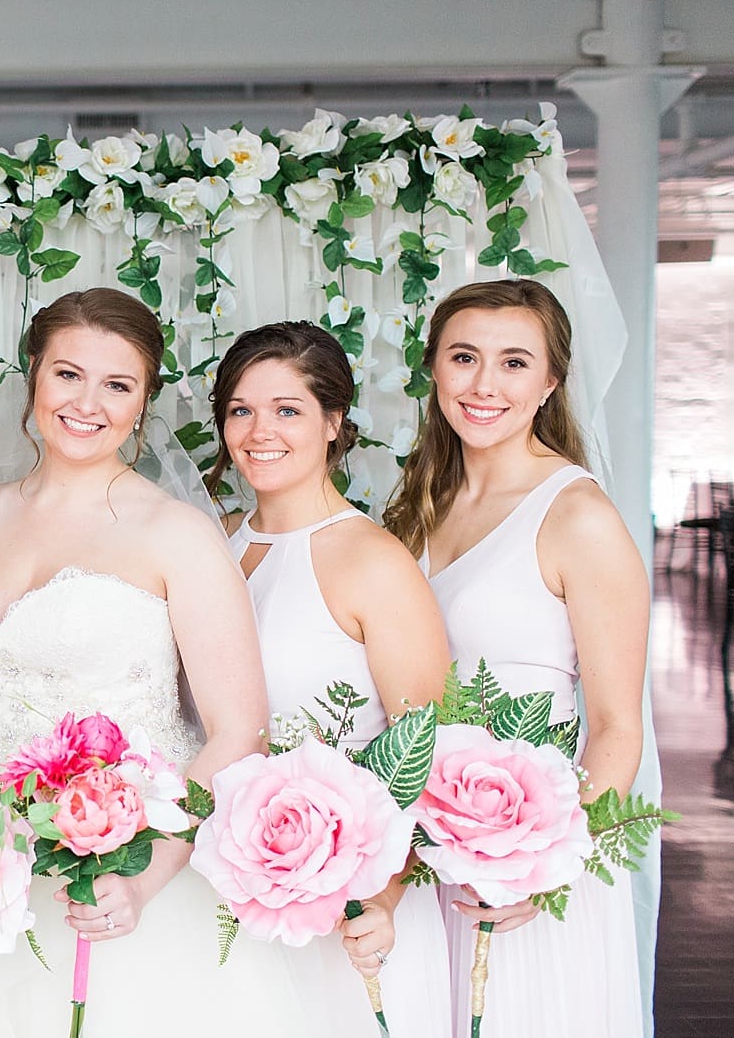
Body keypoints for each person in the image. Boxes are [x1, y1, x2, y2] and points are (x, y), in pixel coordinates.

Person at [0, 288, 321, 1036]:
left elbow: (239, 728)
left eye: (117, 385)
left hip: (128, 874)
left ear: (143, 402)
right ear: (33, 378)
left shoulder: (173, 531)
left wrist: (144, 877)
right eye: (67, 374)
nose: (88, 403)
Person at [384, 279, 648, 1036]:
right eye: (463, 357)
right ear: (433, 368)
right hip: (428, 856)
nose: (483, 385)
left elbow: (615, 726)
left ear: (550, 382)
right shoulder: (417, 506)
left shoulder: (578, 516)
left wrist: (544, 869)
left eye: (512, 362)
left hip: (528, 873)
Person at [210, 321, 452, 1037]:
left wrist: (384, 898)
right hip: (223, 890)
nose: (260, 430)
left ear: (333, 423)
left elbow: (423, 750)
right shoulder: (211, 540)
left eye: (287, 409)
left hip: (345, 907)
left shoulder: (371, 561)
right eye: (240, 409)